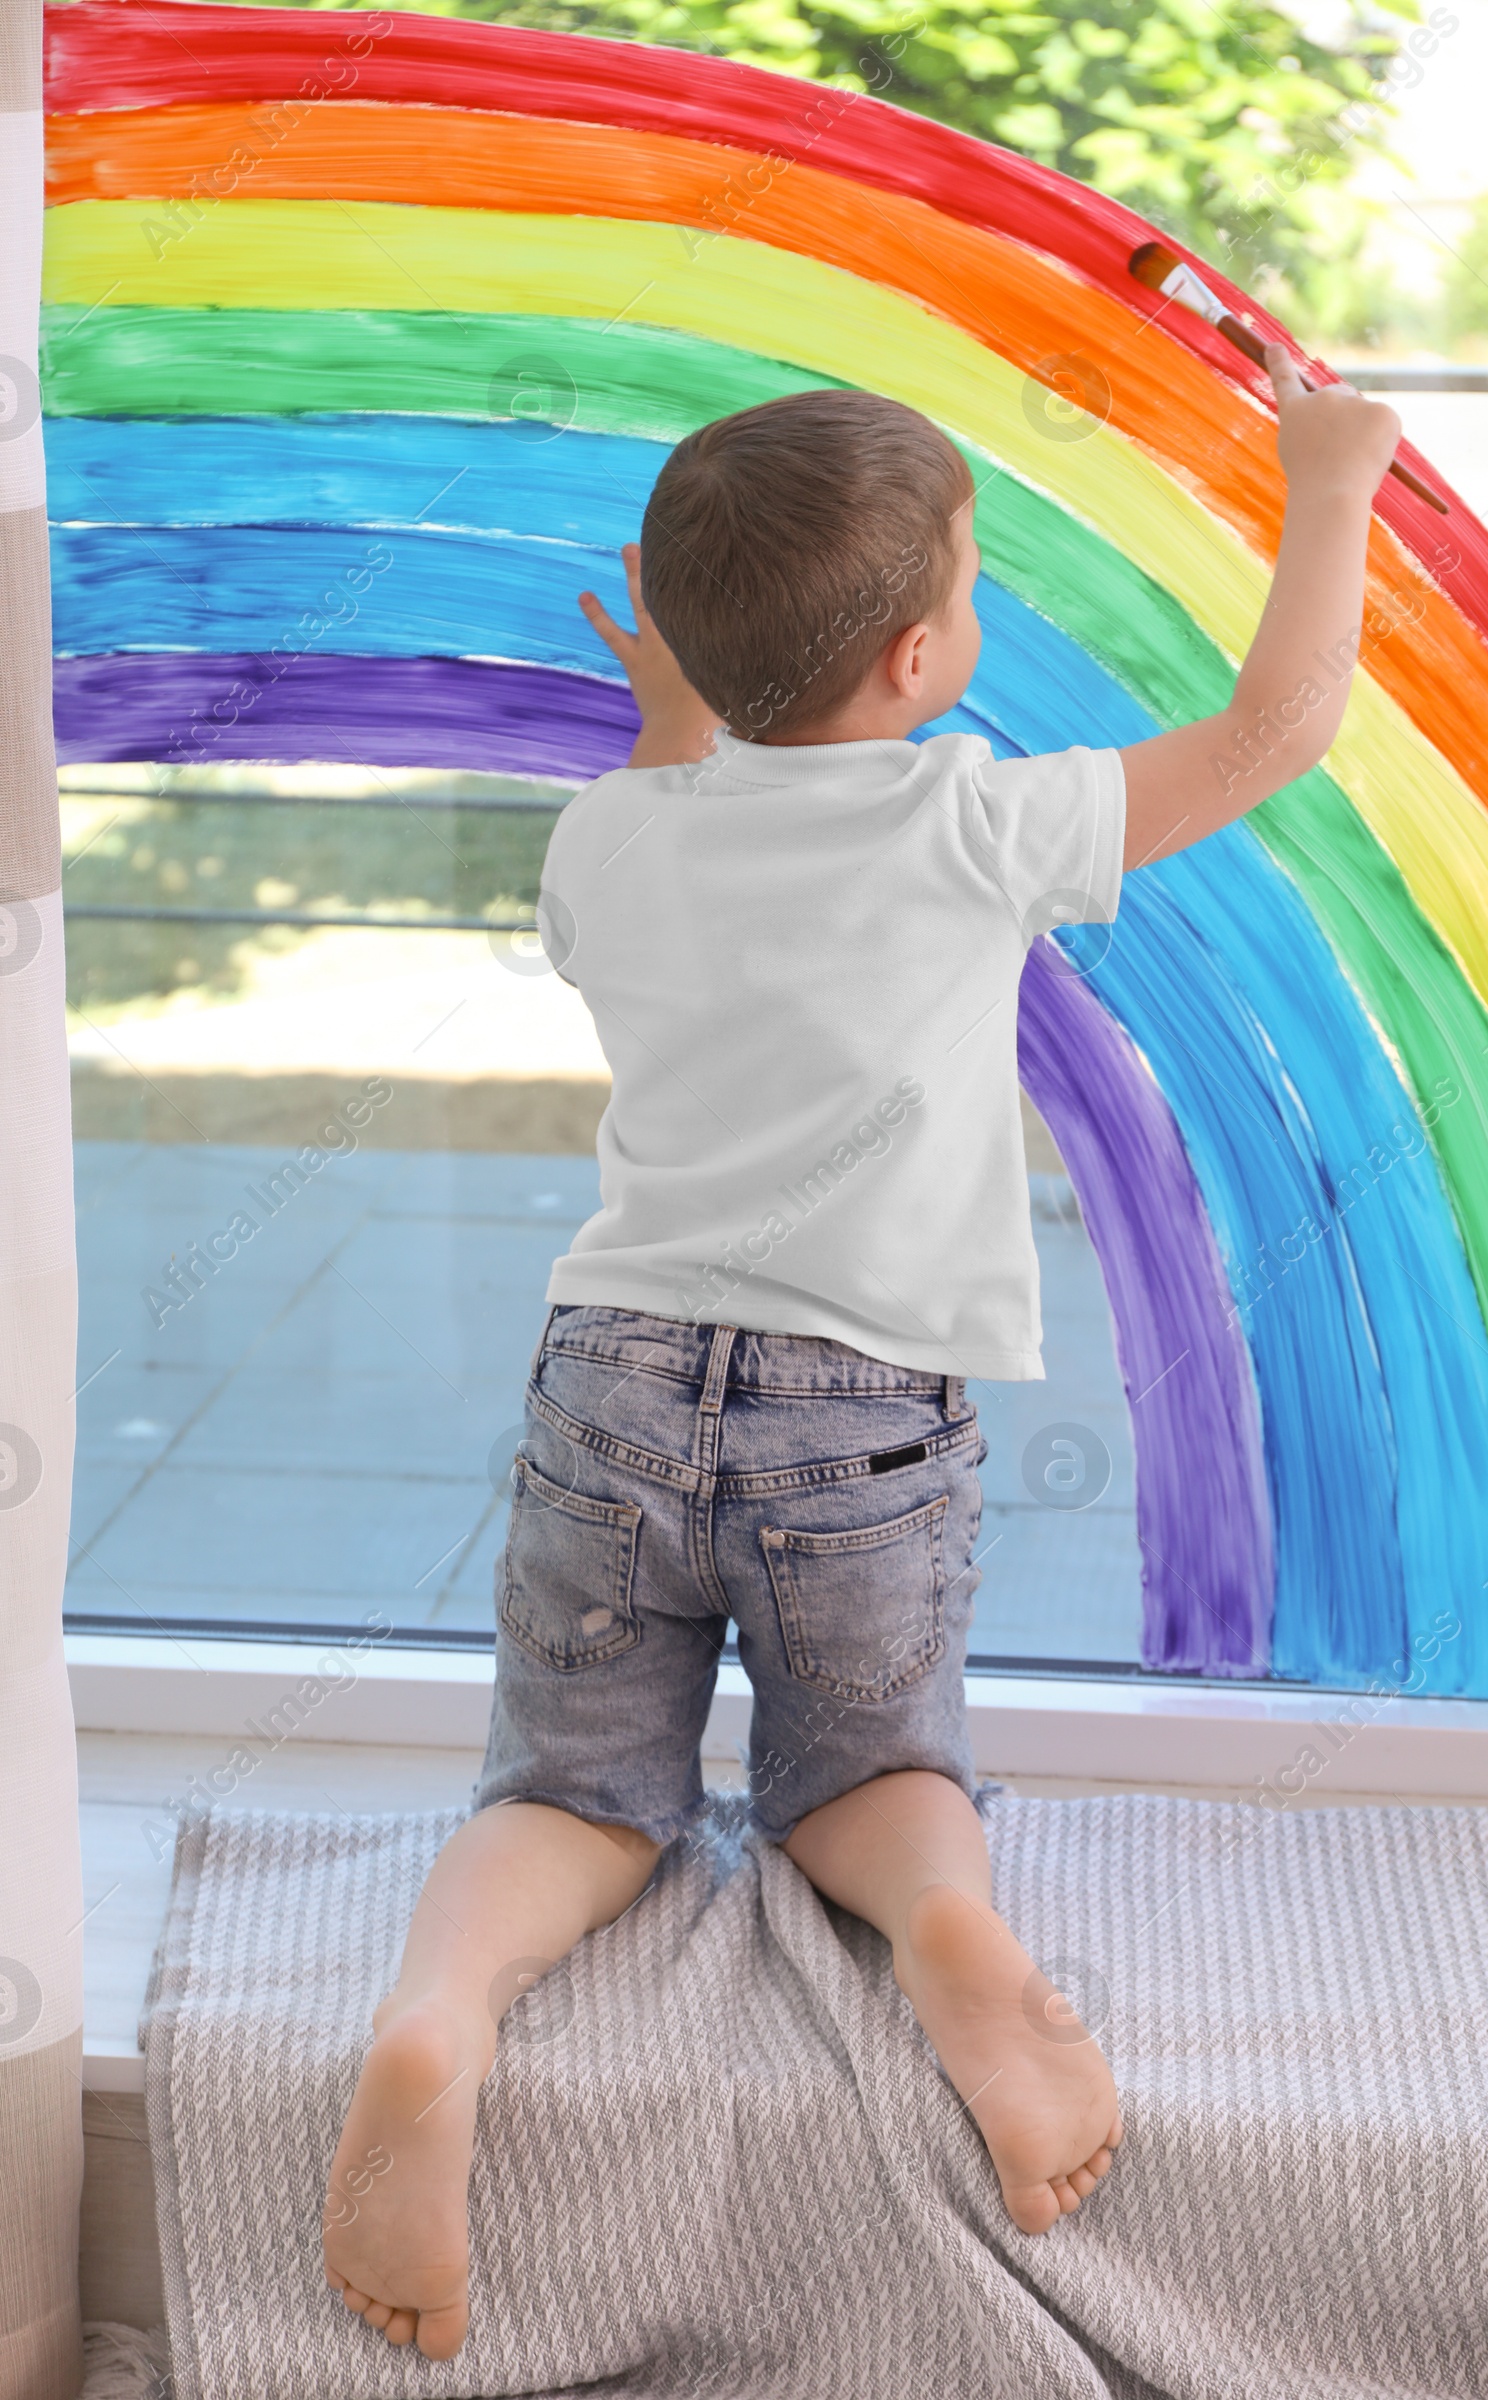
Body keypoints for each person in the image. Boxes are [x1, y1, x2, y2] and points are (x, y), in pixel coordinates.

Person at [322, 353, 1400, 2357]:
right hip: (857, 1419)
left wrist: (665, 718)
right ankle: (939, 1931)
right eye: (974, 594)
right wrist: (1326, 480)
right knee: (861, 1765)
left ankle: (436, 2015)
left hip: (609, 1383)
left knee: (573, 1780)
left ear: (685, 632)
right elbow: (1277, 727)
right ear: (918, 658)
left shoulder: (609, 846)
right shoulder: (975, 824)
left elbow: (674, 815)